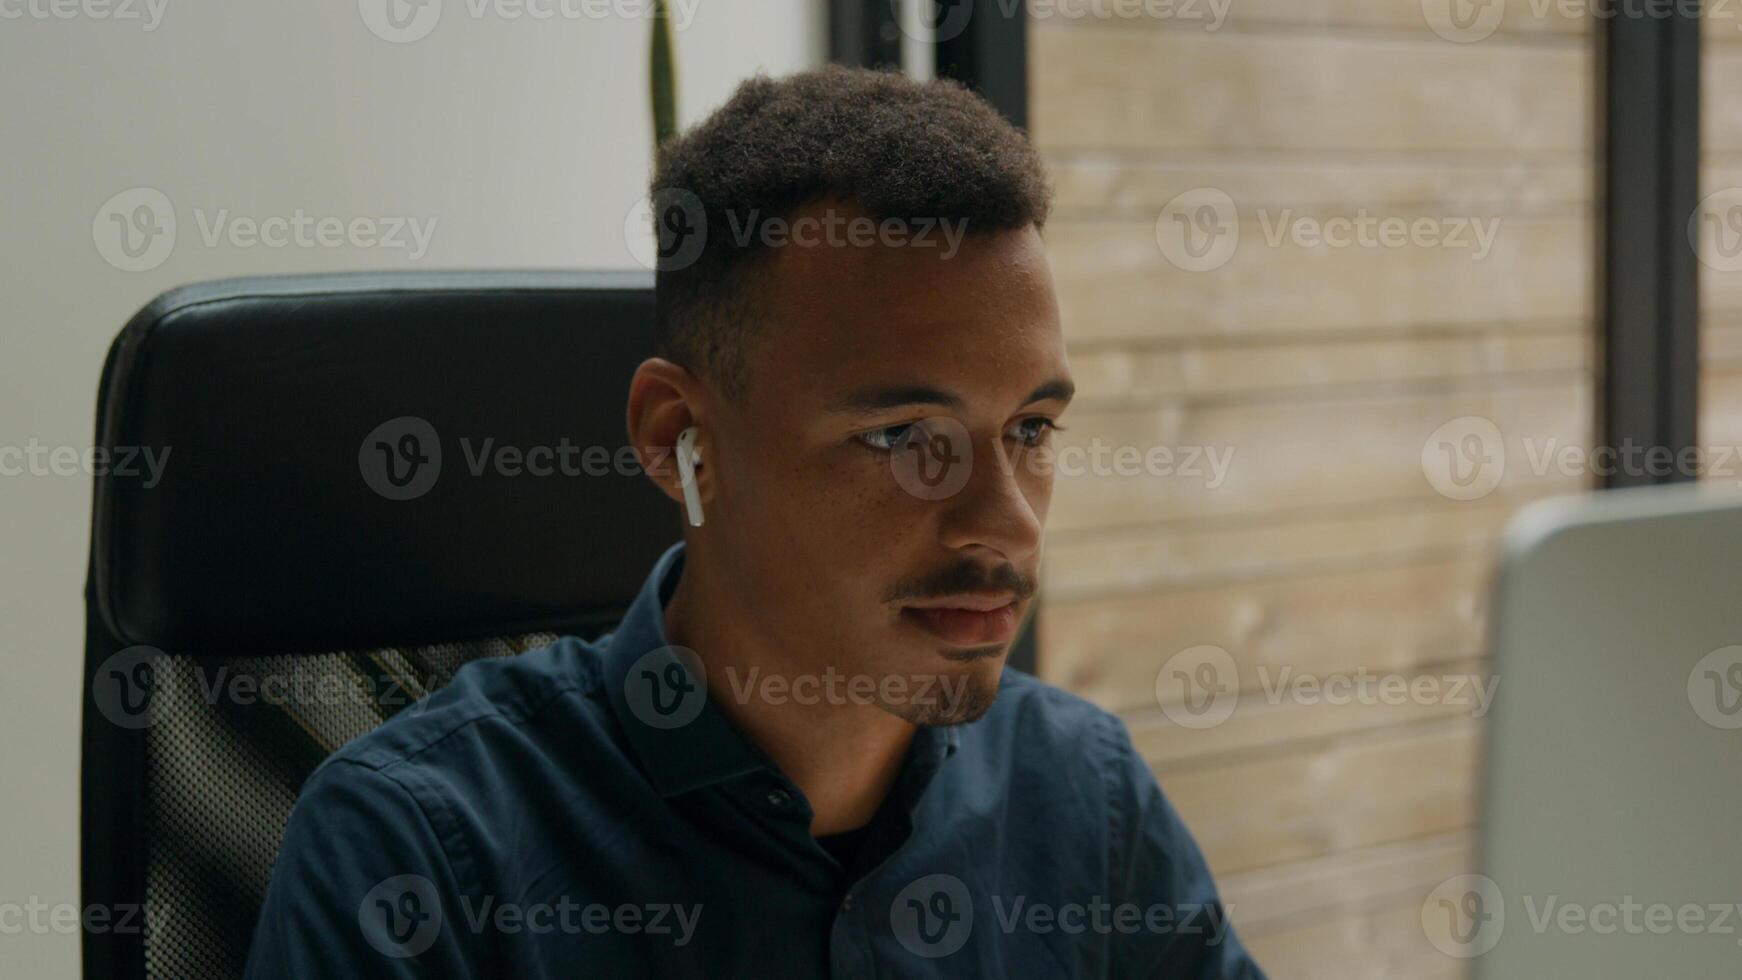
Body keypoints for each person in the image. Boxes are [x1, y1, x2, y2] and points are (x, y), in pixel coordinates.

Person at [242, 65, 1266, 979]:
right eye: (907, 434)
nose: (1007, 523)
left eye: (1032, 428)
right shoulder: (417, 849)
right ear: (679, 436)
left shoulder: (1081, 792)